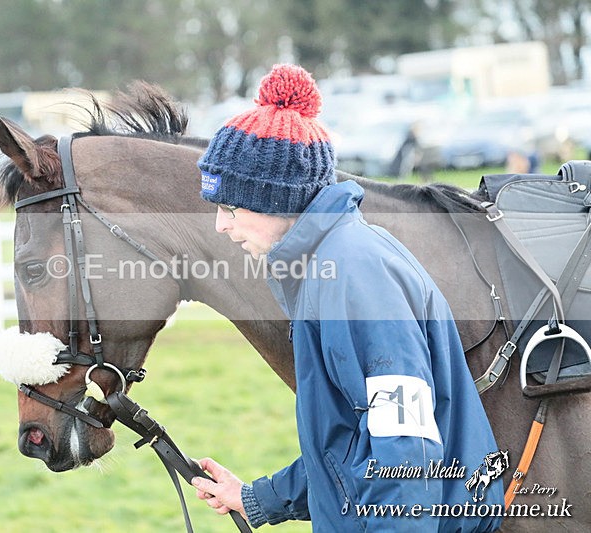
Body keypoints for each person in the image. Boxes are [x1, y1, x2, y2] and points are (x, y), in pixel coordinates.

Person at [191, 64, 504, 532]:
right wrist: (258, 497)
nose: (221, 225)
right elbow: (350, 441)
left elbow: (406, 447)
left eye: (231, 207)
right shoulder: (327, 266)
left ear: (279, 198)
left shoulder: (355, 275)